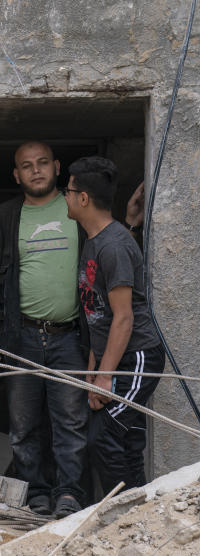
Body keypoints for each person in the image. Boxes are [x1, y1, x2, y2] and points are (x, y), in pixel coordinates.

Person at [0, 141, 87, 518]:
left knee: (70, 422)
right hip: (21, 335)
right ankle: (36, 495)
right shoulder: (5, 217)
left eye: (42, 163)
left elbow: (105, 243)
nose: (35, 171)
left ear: (56, 167)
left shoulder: (76, 207)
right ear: (16, 175)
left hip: (69, 334)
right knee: (23, 426)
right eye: (26, 166)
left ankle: (69, 495)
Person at [65, 156, 164, 495]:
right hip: (111, 355)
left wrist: (104, 378)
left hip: (136, 357)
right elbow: (98, 318)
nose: (64, 197)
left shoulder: (114, 245)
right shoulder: (96, 241)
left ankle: (121, 513)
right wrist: (93, 374)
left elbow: (123, 318)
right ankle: (137, 515)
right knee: (124, 442)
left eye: (68, 190)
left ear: (83, 199)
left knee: (105, 437)